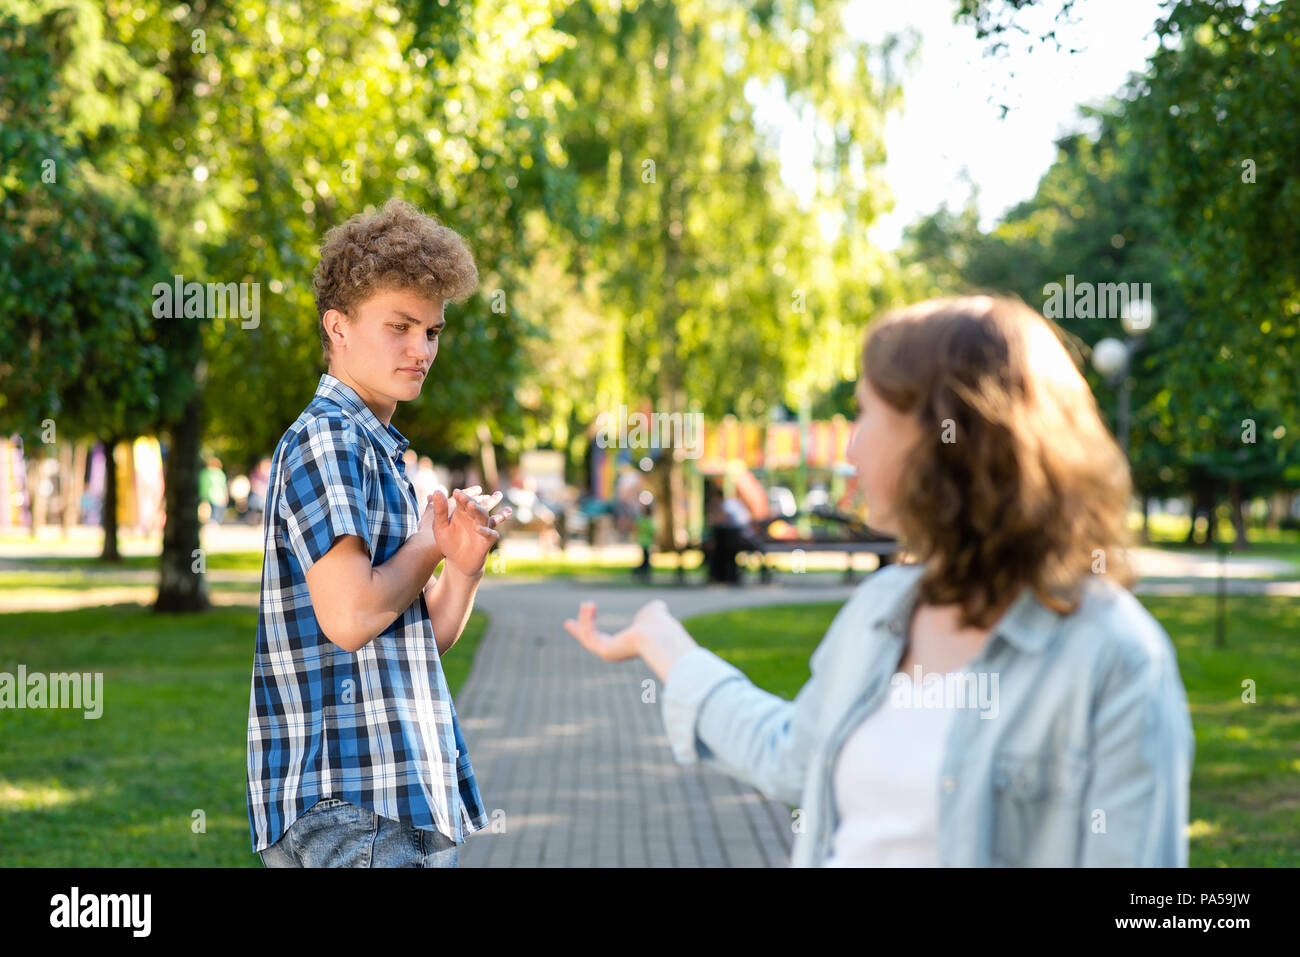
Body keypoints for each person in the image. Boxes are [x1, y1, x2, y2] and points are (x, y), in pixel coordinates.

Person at [565, 294, 1195, 867]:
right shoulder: (883, 607)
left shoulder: (1114, 661)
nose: (852, 450)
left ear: (943, 437)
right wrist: (666, 647)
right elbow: (793, 755)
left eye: (867, 416)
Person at [248, 198, 512, 868]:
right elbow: (354, 613)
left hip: (391, 798)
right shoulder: (328, 438)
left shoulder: (377, 449)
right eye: (400, 326)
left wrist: (464, 563)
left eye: (432, 330)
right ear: (337, 326)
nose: (421, 349)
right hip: (353, 803)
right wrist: (427, 543)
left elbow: (423, 633)